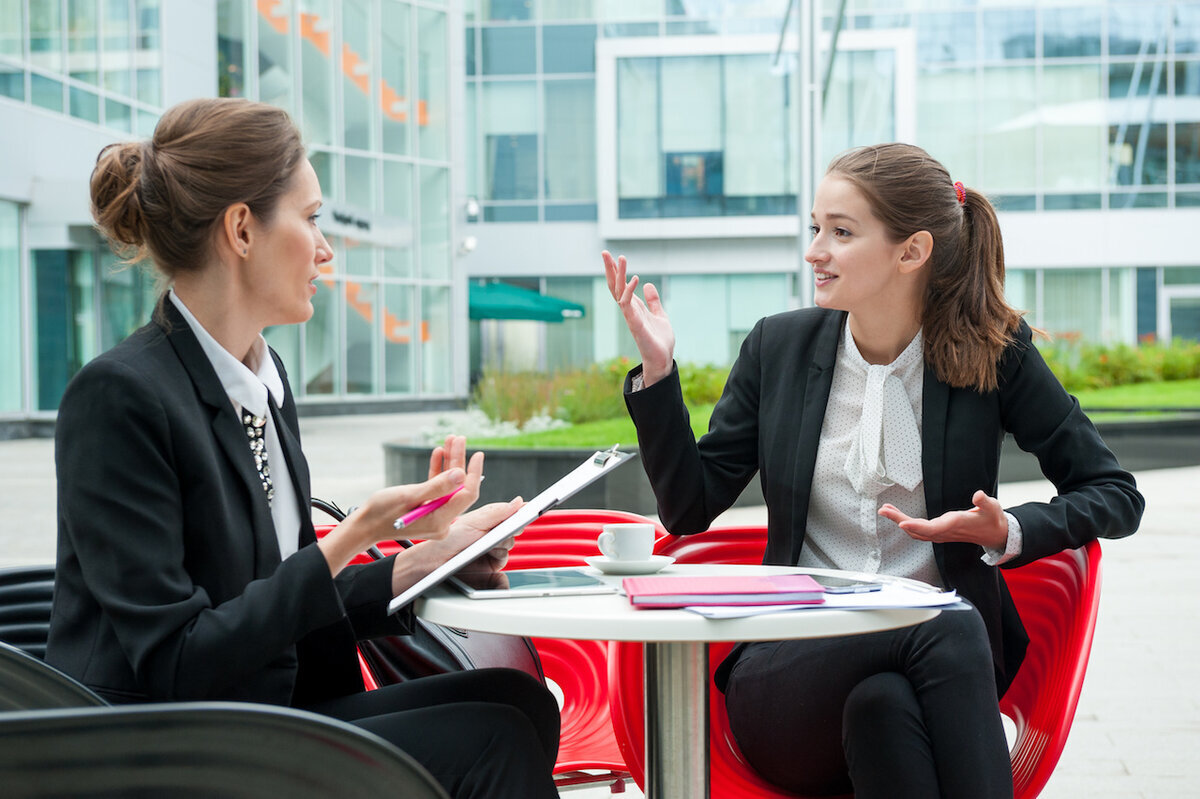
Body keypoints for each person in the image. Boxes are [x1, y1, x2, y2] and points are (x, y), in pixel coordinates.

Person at [46, 97, 559, 799]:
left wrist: (422, 561)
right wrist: (353, 535)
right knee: (492, 739)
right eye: (312, 217)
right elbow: (177, 658)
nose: (326, 248)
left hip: (269, 717)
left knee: (519, 704)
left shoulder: (263, 378)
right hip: (169, 748)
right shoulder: (119, 397)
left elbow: (278, 598)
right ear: (241, 230)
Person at [604, 142, 1144, 798]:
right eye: (815, 229)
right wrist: (658, 374)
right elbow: (688, 507)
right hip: (789, 676)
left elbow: (1114, 493)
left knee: (883, 709)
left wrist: (1007, 531)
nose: (814, 251)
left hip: (921, 686)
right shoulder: (776, 347)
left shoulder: (992, 354)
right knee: (945, 621)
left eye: (841, 232)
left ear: (911, 251)